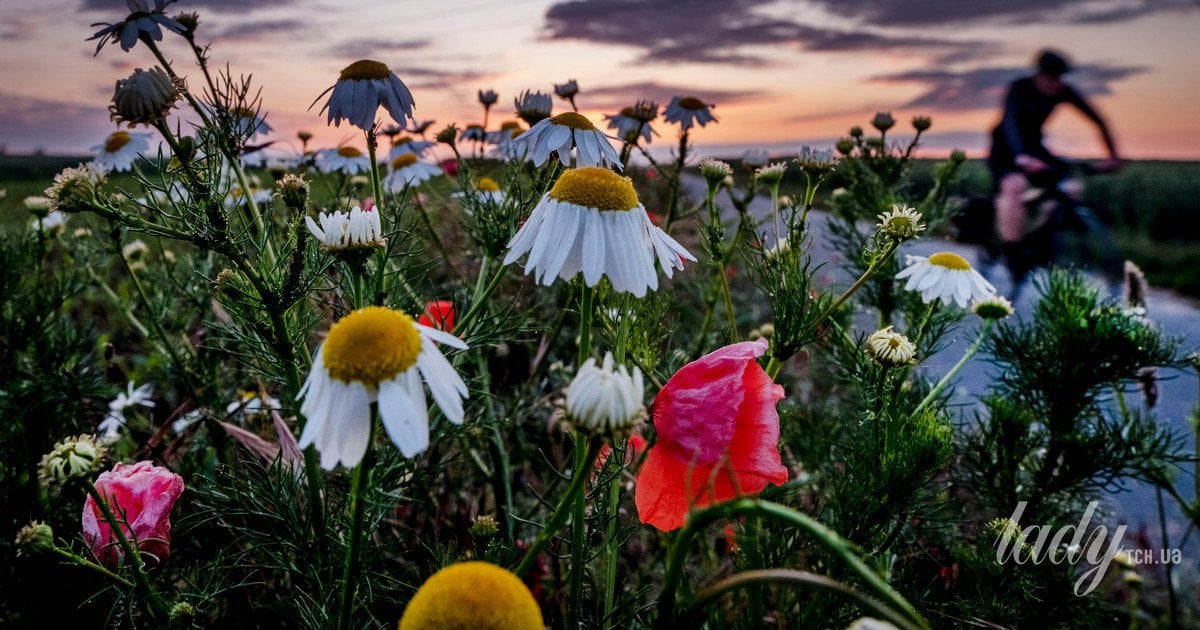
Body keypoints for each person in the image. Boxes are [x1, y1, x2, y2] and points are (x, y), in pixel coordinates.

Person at [987, 49, 1122, 293]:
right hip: (1006, 148)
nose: (1056, 84)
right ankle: (1012, 252)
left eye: (1059, 78)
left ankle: (1040, 242)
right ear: (1039, 75)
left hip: (1035, 146)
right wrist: (1021, 156)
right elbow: (1010, 122)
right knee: (1014, 186)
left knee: (1069, 189)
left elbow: (1099, 121)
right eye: (1051, 78)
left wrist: (1113, 156)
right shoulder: (1019, 88)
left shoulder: (1064, 91)